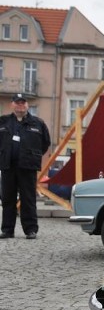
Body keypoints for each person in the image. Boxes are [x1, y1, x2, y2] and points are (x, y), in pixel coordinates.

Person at [0, 94, 51, 239]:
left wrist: (31, 155)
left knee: (28, 198)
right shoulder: (3, 122)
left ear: (27, 105)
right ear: (12, 105)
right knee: (7, 198)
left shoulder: (37, 123)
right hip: (7, 166)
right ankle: (7, 230)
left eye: (23, 103)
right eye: (17, 103)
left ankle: (30, 230)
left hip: (28, 166)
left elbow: (45, 143)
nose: (20, 106)